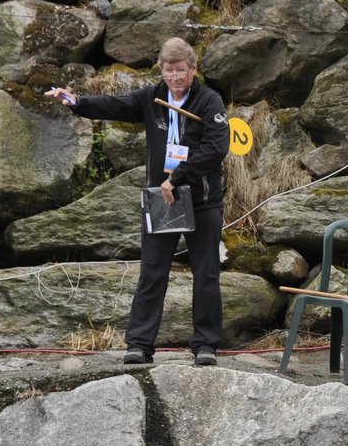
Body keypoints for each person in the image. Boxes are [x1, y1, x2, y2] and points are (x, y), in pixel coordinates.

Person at [44, 37, 228, 367]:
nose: (174, 78)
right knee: (152, 271)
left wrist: (179, 177)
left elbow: (216, 148)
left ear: (193, 69)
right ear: (161, 70)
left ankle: (206, 345)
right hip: (163, 199)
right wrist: (77, 102)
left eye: (180, 71)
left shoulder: (209, 101)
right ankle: (140, 344)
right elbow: (115, 105)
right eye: (168, 71)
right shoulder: (152, 97)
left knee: (206, 274)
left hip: (202, 199)